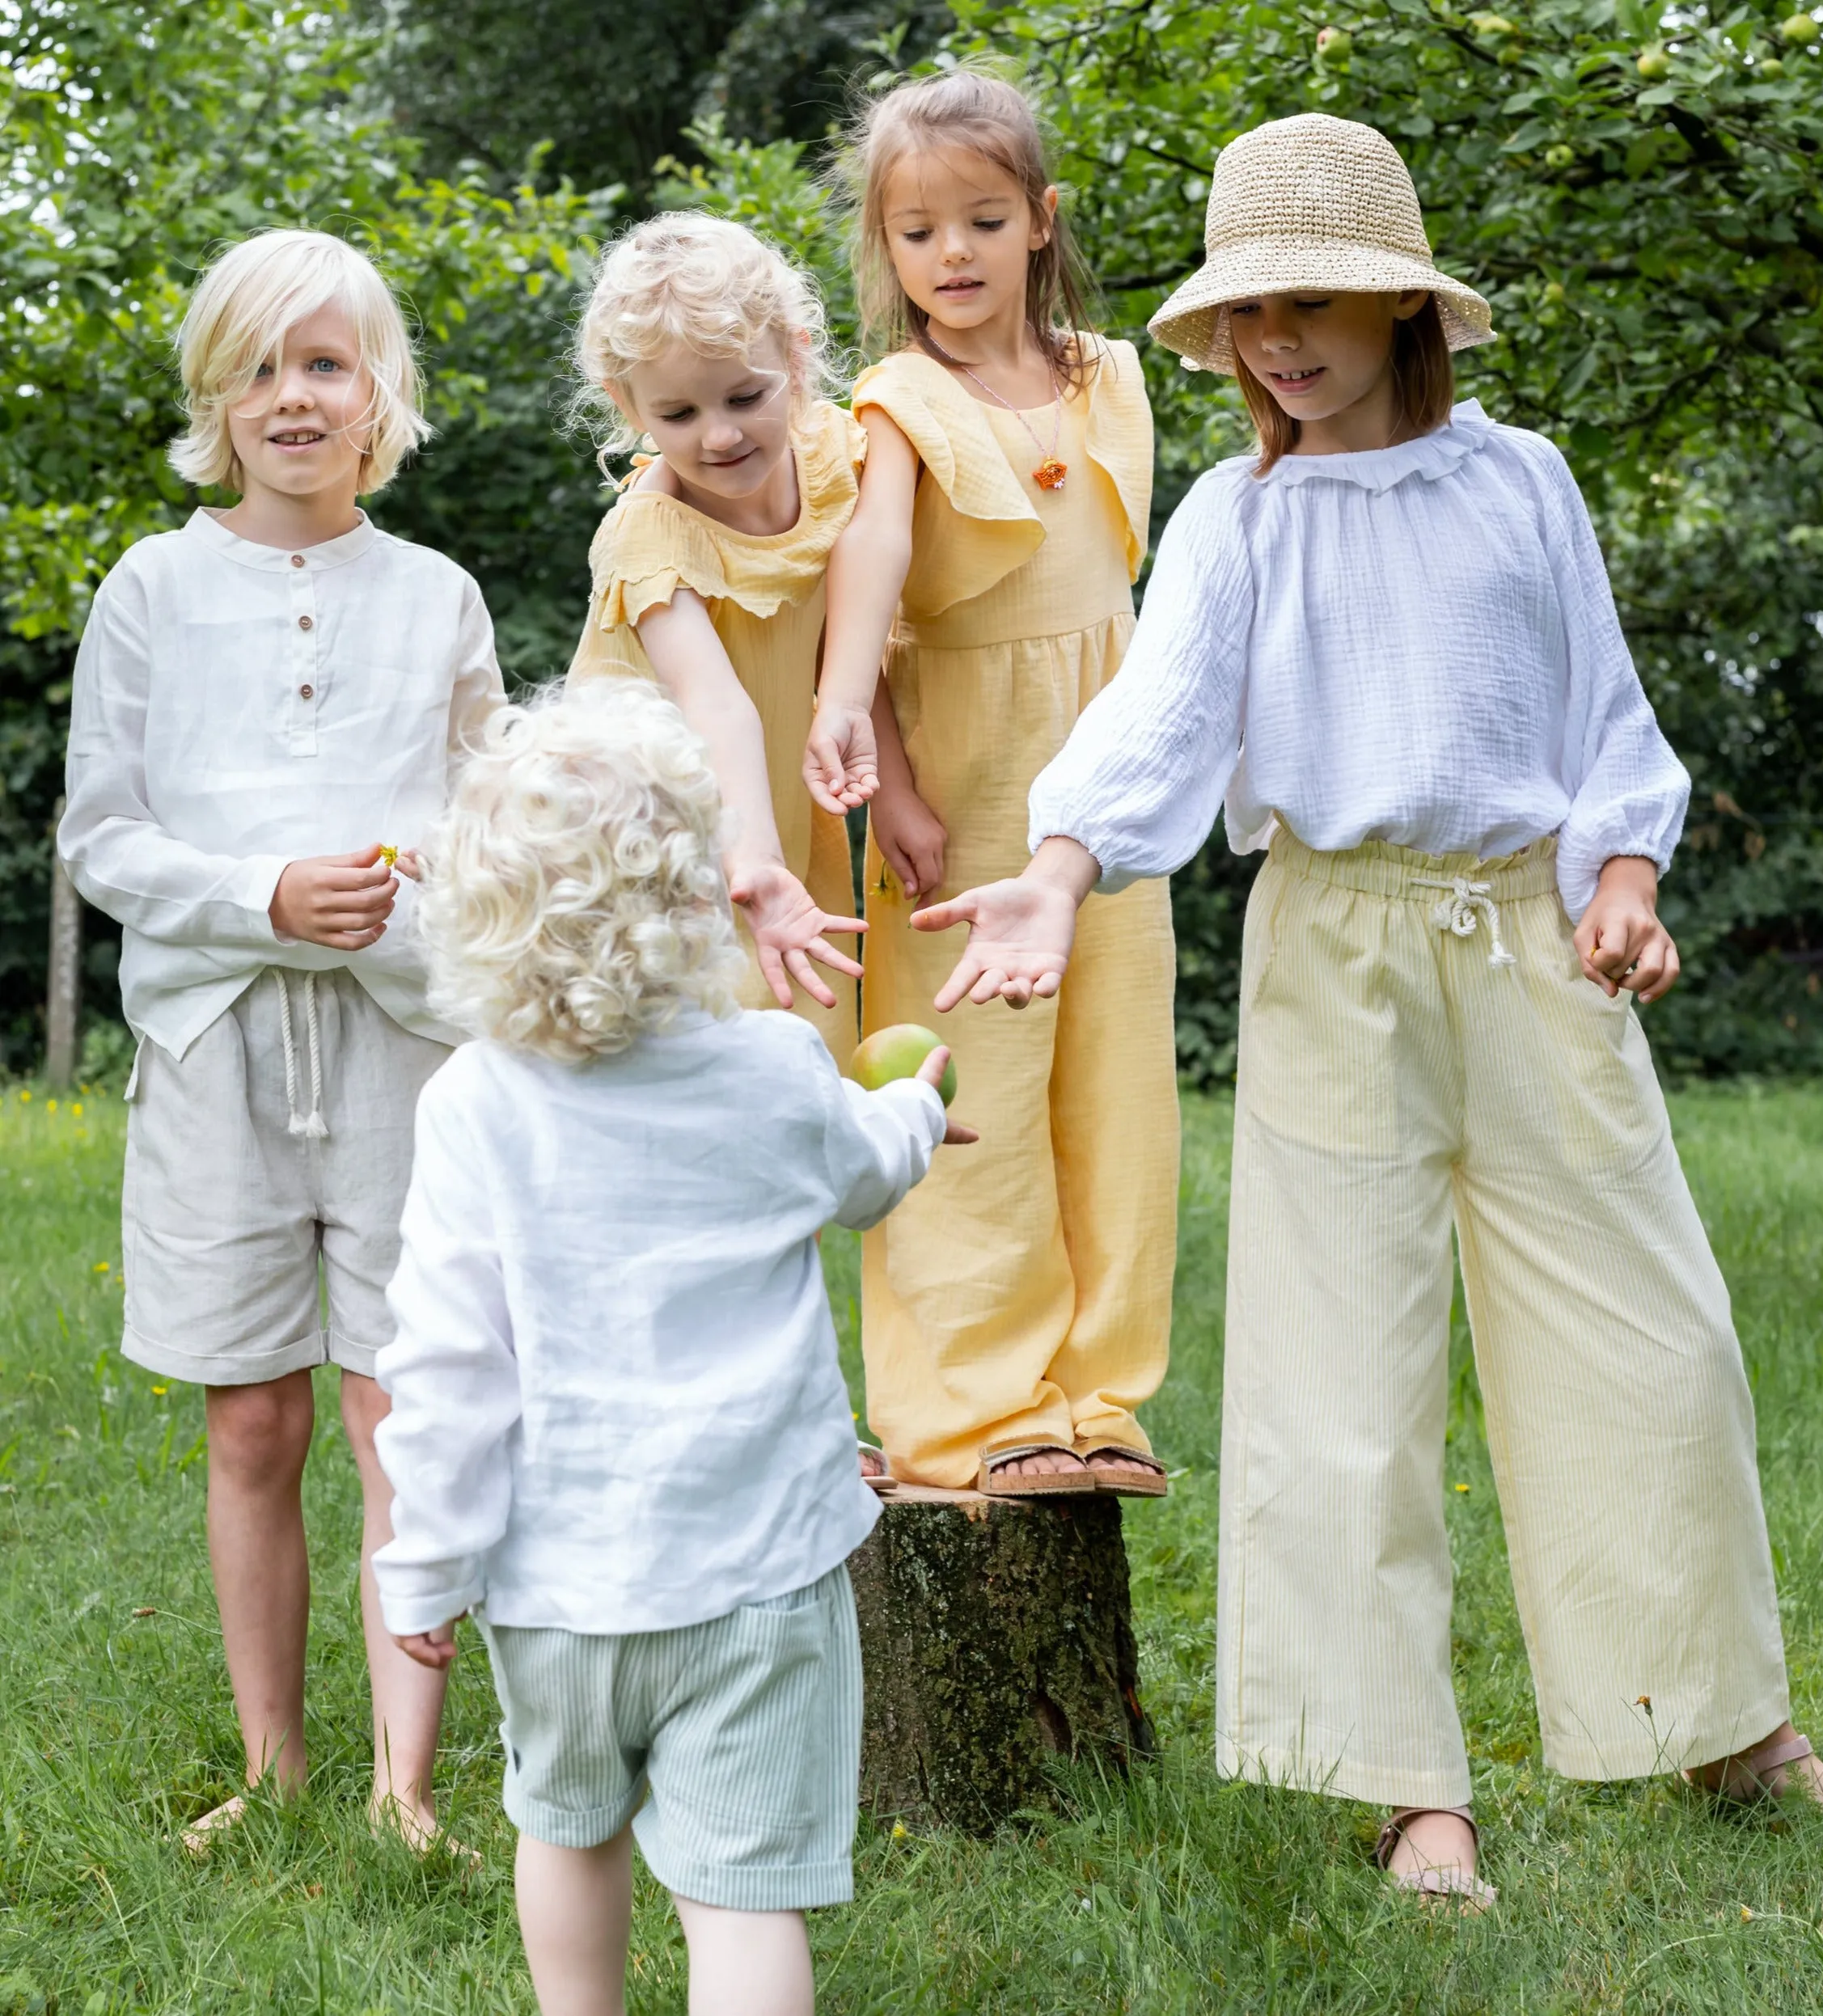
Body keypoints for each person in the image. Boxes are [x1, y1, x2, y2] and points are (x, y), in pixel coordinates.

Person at [916, 114, 1823, 1906]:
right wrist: (1058, 874)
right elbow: (1155, 717)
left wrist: (1624, 879)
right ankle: (1404, 1787)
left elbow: (1597, 707)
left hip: (1532, 937)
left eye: (1314, 301)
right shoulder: (1238, 514)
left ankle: (1725, 1724)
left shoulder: (1521, 480)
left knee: (1649, 1338)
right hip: (1334, 952)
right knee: (1337, 1375)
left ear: (1398, 310)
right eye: (1248, 312)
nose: (1277, 341)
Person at [371, 682, 968, 2016]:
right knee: (742, 1891)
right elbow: (864, 1170)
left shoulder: (474, 1102)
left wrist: (424, 1566)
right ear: (698, 899)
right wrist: (917, 1109)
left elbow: (448, 1366)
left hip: (557, 1586)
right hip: (756, 1575)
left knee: (564, 1827)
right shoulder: (768, 1069)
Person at [58, 228, 504, 1851]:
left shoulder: (438, 593)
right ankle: (276, 1764)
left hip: (408, 1048)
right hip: (212, 1040)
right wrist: (261, 891)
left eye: (324, 363)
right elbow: (101, 834)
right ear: (215, 399)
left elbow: (488, 825)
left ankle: (403, 1785)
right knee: (252, 1412)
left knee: (403, 1406)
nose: (291, 396)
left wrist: (407, 898)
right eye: (257, 367)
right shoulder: (154, 586)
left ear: (380, 393)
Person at [803, 64, 1178, 1499]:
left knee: (1111, 1081)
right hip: (961, 785)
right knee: (974, 1089)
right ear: (883, 251)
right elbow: (874, 577)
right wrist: (871, 753)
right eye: (914, 232)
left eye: (978, 219)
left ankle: (1095, 1390)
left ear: (1039, 221)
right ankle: (971, 1406)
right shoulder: (892, 401)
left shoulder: (1107, 378)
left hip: (1098, 789)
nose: (948, 256)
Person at [565, 213, 865, 1057]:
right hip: (661, 835)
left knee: (807, 1054)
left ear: (796, 359)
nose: (721, 435)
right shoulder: (650, 531)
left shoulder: (837, 454)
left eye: (745, 396)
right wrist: (758, 867)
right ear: (628, 407)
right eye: (680, 412)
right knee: (703, 1056)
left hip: (774, 808)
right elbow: (715, 704)